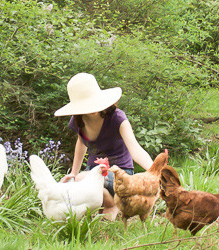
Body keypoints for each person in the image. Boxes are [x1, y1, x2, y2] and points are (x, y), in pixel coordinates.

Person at [54, 73, 154, 220]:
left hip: (120, 174)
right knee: (73, 184)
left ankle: (112, 204)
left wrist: (155, 171)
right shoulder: (78, 121)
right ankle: (104, 206)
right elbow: (81, 143)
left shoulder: (117, 118)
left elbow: (135, 149)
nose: (92, 108)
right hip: (93, 172)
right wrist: (73, 173)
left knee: (82, 179)